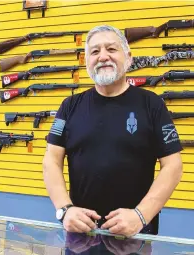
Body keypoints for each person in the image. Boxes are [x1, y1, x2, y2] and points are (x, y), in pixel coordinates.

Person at [42, 24, 183, 238]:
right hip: (82, 234)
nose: (103, 57)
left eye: (111, 49)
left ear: (128, 57)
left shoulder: (152, 105)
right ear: (87, 60)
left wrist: (141, 216)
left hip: (135, 235)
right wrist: (64, 210)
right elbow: (51, 160)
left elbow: (173, 165)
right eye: (95, 51)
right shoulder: (69, 106)